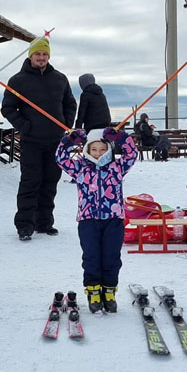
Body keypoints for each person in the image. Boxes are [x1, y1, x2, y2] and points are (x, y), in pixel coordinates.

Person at [55, 125, 138, 314]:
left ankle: (109, 292)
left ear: (109, 149)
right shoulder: (79, 168)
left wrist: (122, 138)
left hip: (114, 220)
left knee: (112, 257)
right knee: (91, 257)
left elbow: (132, 154)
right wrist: (69, 141)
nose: (98, 153)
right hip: (88, 220)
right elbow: (60, 158)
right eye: (94, 149)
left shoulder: (117, 166)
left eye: (102, 149)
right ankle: (93, 291)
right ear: (86, 150)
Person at [1, 35, 76, 240]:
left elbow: (70, 103)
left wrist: (65, 124)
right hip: (32, 141)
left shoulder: (60, 79)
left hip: (55, 141)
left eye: (44, 54)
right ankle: (25, 225)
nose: (41, 57)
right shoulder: (18, 80)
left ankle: (44, 222)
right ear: (31, 56)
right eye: (37, 54)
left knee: (50, 182)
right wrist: (25, 126)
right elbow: (8, 108)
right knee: (30, 182)